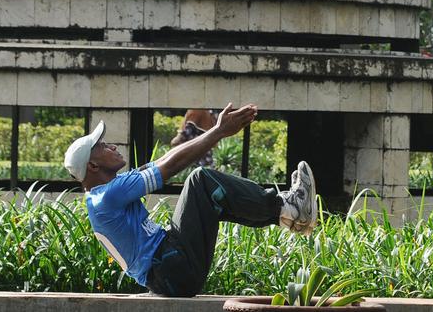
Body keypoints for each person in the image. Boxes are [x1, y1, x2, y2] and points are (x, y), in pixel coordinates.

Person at [63, 102, 317, 297]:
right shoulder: (107, 196)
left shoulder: (104, 194)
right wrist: (218, 132)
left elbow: (164, 160)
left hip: (170, 271)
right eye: (104, 146)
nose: (113, 147)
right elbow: (171, 166)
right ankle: (288, 207)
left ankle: (287, 214)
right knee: (201, 181)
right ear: (93, 165)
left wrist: (215, 131)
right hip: (170, 269)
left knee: (210, 196)